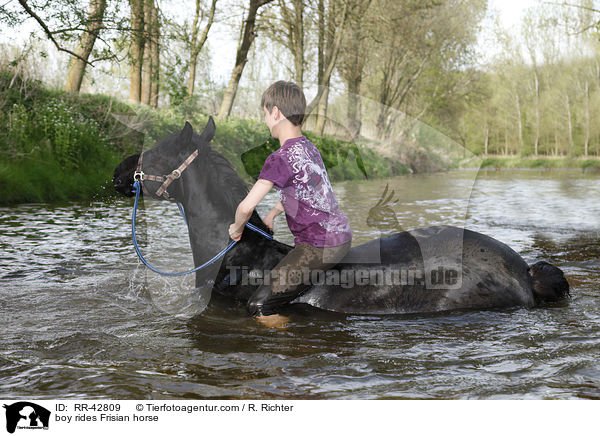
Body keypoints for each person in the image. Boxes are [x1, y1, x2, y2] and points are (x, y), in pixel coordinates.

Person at [228, 80, 352, 328]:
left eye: (265, 114)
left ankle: (297, 348)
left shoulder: (279, 158)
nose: (265, 121)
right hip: (342, 236)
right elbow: (303, 191)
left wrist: (237, 229)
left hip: (317, 247)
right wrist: (273, 214)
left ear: (275, 112)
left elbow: (245, 207)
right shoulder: (309, 147)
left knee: (259, 307)